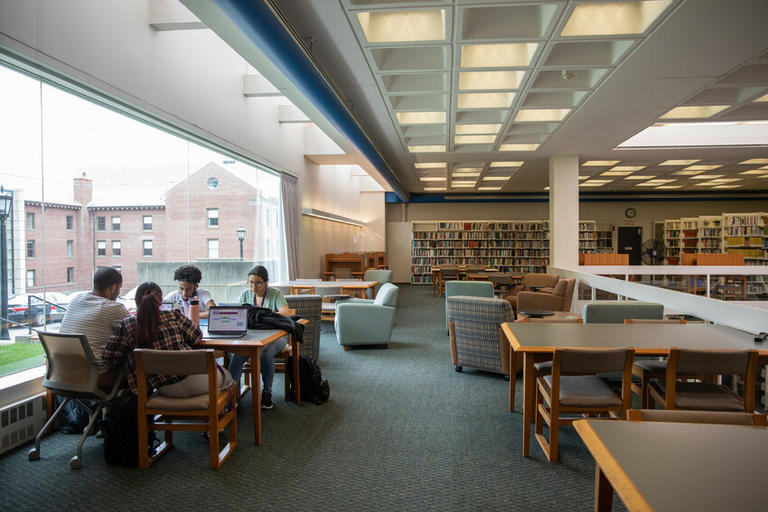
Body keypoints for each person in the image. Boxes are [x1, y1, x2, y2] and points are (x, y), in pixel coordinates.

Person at [103, 281, 232, 396]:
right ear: (160, 301)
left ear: (137, 301)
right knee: (228, 377)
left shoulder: (127, 325)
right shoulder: (173, 316)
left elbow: (109, 357)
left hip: (162, 388)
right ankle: (223, 411)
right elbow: (197, 337)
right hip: (194, 381)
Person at [228, 265, 290, 410]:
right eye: (251, 282)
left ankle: (267, 392)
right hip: (252, 337)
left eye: (258, 283)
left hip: (276, 336)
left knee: (266, 352)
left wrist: (262, 316)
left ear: (266, 282)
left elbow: (286, 313)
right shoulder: (245, 294)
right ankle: (229, 394)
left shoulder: (275, 294)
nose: (253, 287)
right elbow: (237, 313)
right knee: (238, 354)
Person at [59, 267, 131, 390]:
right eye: (119, 287)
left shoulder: (75, 300)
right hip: (96, 377)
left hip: (61, 373)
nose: (119, 292)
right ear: (113, 288)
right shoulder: (113, 308)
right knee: (137, 369)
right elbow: (136, 330)